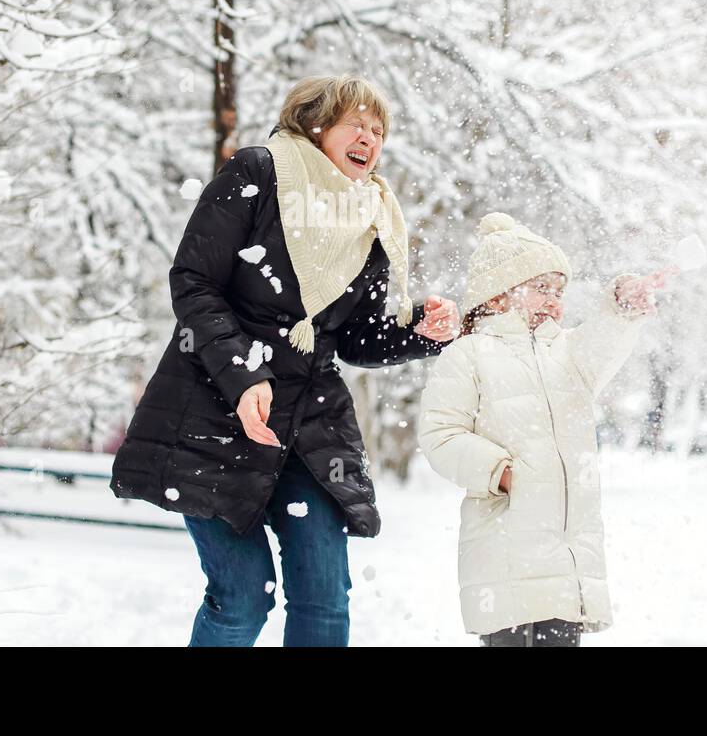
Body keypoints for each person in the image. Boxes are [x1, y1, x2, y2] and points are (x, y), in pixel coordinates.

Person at [110, 73, 460, 646]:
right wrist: (246, 375)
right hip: (212, 415)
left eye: (379, 131)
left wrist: (420, 329)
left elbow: (357, 338)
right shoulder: (258, 173)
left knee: (324, 602)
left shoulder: (369, 217)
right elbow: (194, 282)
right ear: (315, 124)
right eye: (358, 125)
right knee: (242, 602)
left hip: (309, 427)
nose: (370, 140)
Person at [417, 212, 667, 647]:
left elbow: (603, 343)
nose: (554, 300)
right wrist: (501, 472)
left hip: (567, 554)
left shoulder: (568, 354)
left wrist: (622, 307)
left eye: (559, 290)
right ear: (497, 298)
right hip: (504, 549)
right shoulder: (468, 355)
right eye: (541, 288)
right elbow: (441, 435)